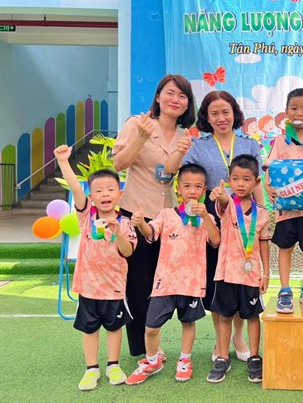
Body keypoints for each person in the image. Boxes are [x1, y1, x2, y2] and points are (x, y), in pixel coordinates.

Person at [165, 90, 262, 361]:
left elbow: (257, 183)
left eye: (226, 112)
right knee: (218, 281)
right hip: (211, 219)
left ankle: (238, 336)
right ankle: (221, 342)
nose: (221, 118)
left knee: (241, 276)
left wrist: (261, 212)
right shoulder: (198, 146)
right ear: (206, 117)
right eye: (215, 113)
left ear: (234, 113)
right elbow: (175, 173)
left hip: (244, 220)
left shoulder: (250, 144)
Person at [113, 74, 196, 359]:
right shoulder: (137, 124)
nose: (176, 100)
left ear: (187, 105)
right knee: (137, 282)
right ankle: (143, 349)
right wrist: (141, 137)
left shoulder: (185, 136)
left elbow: (170, 173)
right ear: (158, 96)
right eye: (170, 93)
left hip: (167, 217)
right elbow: (119, 163)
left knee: (161, 281)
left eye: (182, 96)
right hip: (136, 213)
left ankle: (154, 339)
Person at [125, 163, 221, 385]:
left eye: (197, 186)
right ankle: (152, 361)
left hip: (192, 283)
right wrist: (140, 223)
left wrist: (206, 217)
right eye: (187, 186)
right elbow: (151, 234)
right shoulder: (166, 214)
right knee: (151, 327)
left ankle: (185, 360)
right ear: (178, 188)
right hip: (165, 283)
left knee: (188, 323)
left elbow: (216, 241)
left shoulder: (206, 217)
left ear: (204, 189)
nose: (192, 191)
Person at [54, 145, 137, 391]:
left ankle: (113, 365)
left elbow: (128, 251)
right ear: (91, 196)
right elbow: (75, 188)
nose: (105, 194)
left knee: (114, 327)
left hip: (114, 288)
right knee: (89, 329)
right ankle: (92, 368)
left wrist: (118, 232)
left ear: (119, 194)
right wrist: (63, 162)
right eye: (98, 190)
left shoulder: (126, 223)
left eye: (110, 189)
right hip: (88, 288)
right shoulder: (86, 216)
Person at [207, 154, 271, 383]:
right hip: (226, 274)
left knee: (253, 317)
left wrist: (266, 273)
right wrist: (220, 195)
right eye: (235, 179)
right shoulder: (227, 206)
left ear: (256, 182)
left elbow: (264, 244)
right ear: (229, 180)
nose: (240, 184)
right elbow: (223, 200)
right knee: (224, 317)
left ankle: (254, 357)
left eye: (246, 179)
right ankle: (223, 357)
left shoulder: (262, 213)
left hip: (251, 276)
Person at [264, 88, 303, 313]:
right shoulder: (280, 140)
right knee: (285, 248)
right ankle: (285, 290)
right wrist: (268, 187)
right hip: (286, 210)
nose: (299, 113)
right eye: (294, 108)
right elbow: (269, 169)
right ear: (286, 111)